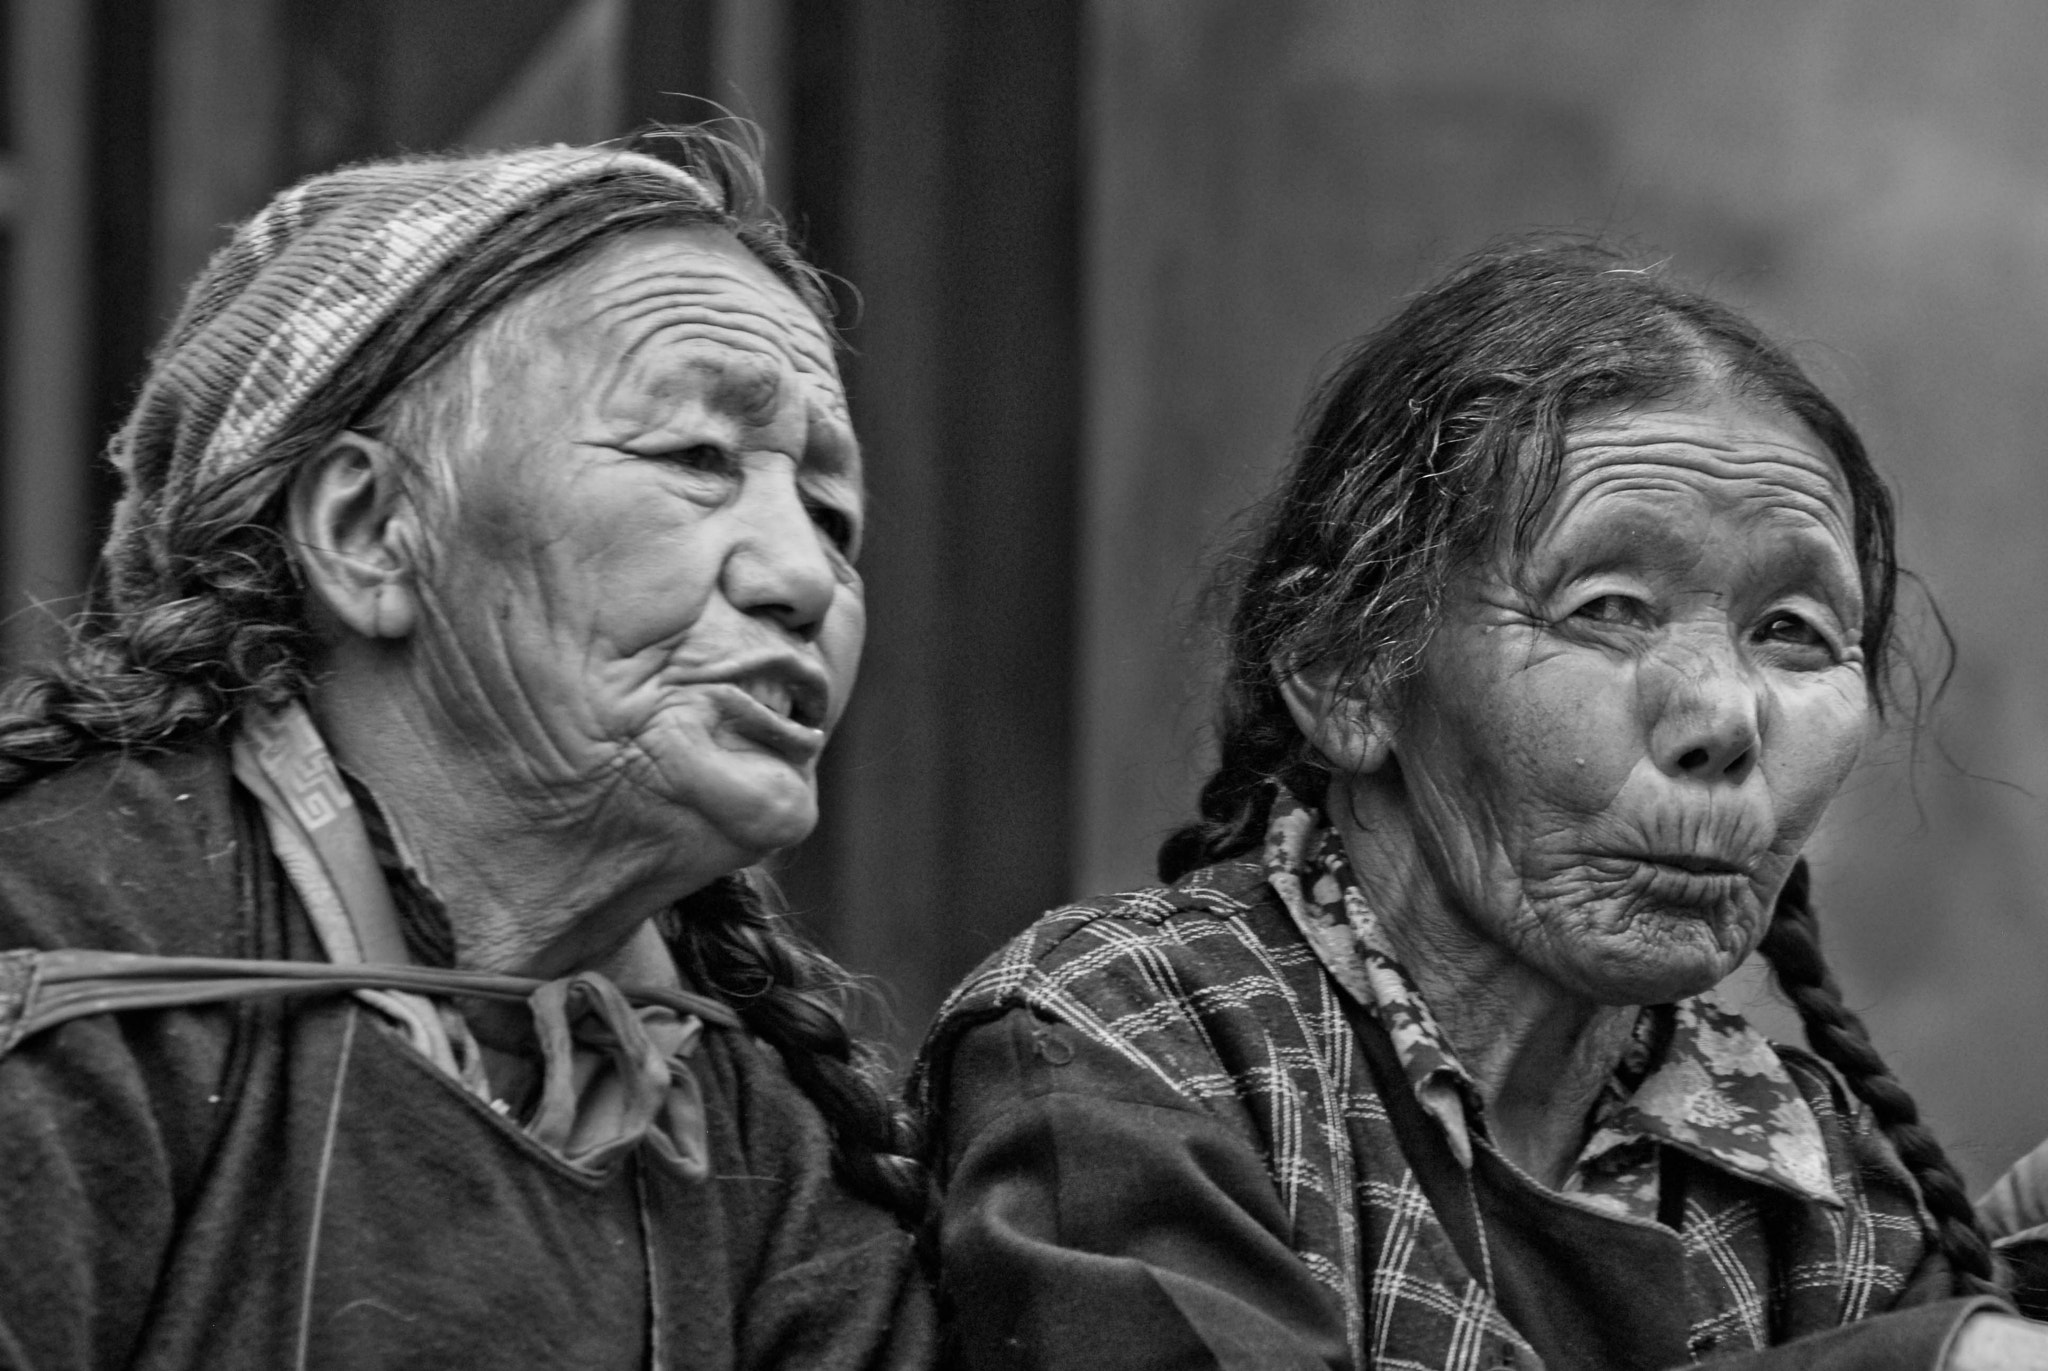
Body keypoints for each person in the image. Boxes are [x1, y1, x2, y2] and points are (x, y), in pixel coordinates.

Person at [914, 240, 2048, 1369]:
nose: (1723, 716)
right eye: (1607, 607)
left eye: (1791, 633)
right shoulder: (1131, 1047)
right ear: (1346, 673)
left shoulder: (1814, 1184)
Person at [0, 129, 933, 1369]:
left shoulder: (774, 1150)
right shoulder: (61, 936)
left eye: (831, 514)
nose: (804, 577)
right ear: (372, 529)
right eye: (697, 458)